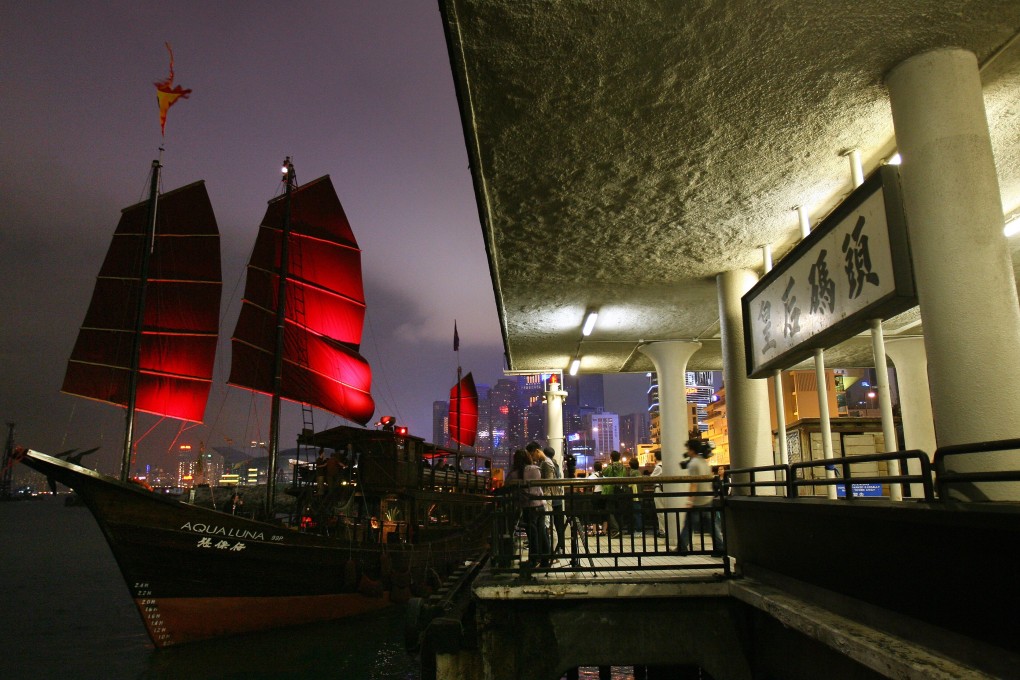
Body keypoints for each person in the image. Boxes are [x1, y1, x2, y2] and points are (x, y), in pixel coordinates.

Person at [676, 438, 724, 555]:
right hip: (707, 497)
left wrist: (690, 500)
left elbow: (694, 483)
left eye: (688, 449)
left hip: (697, 500)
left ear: (692, 450)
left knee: (689, 525)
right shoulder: (704, 462)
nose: (687, 451)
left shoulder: (693, 464)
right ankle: (720, 548)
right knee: (712, 526)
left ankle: (682, 548)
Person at [507, 448, 550, 568]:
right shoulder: (536, 469)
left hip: (528, 507)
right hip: (540, 505)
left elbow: (507, 483)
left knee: (532, 535)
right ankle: (545, 560)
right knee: (542, 533)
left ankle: (533, 560)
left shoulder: (514, 474)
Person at [542, 446, 567, 553]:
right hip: (558, 497)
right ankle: (560, 548)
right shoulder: (556, 465)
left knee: (550, 525)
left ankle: (553, 549)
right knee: (559, 525)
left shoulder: (546, 464)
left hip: (551, 498)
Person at [600, 451, 628, 538]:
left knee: (609, 510)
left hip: (611, 491)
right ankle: (620, 529)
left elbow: (603, 473)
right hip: (620, 491)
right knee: (619, 510)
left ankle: (615, 530)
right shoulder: (623, 467)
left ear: (611, 457)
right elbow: (625, 476)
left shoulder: (610, 467)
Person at [649, 451, 667, 538]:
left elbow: (651, 478)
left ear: (656, 457)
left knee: (660, 511)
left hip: (659, 489)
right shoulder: (666, 465)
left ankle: (662, 530)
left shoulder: (658, 467)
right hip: (665, 490)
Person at [628, 456, 643, 533]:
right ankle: (638, 529)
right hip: (639, 494)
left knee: (637, 513)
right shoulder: (638, 472)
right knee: (638, 513)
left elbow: (630, 484)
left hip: (635, 495)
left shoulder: (633, 473)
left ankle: (638, 529)